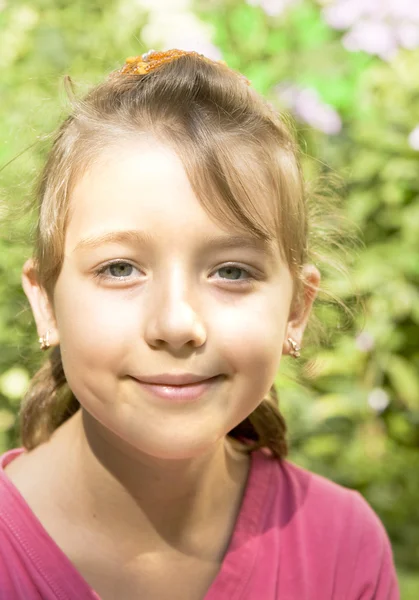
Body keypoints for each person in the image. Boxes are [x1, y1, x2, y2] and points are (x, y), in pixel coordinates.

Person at [0, 49, 399, 600]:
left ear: (295, 311)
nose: (177, 322)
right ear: (46, 303)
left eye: (231, 271)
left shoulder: (342, 549)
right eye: (119, 268)